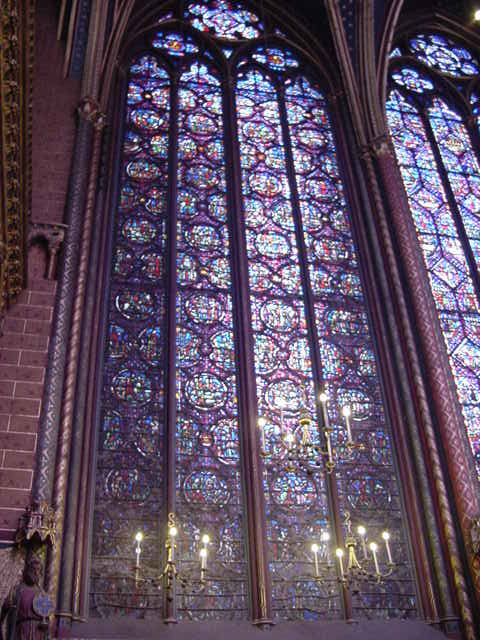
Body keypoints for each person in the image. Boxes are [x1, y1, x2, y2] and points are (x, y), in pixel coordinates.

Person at [0, 555, 48, 640]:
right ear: (27, 571)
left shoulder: (42, 593)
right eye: (33, 569)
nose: (36, 572)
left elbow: (46, 616)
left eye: (38, 570)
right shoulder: (16, 591)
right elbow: (3, 613)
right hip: (22, 631)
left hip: (38, 633)